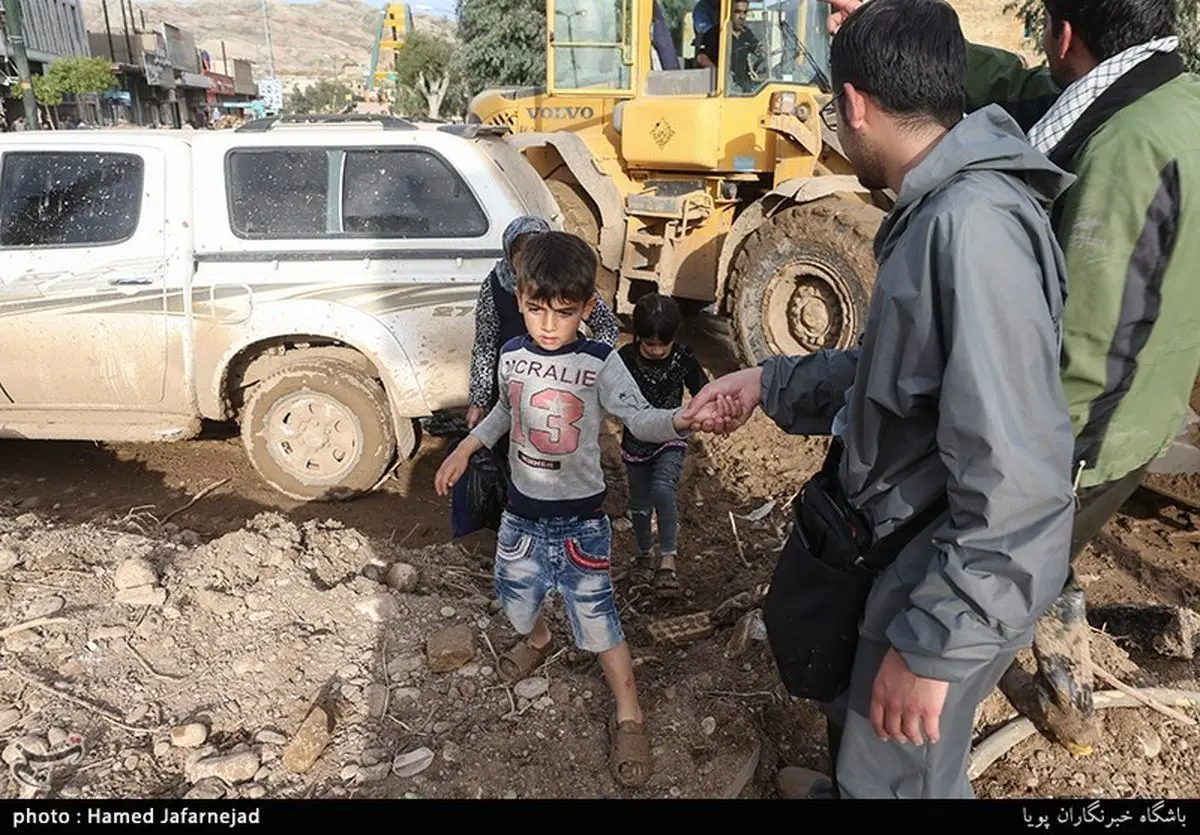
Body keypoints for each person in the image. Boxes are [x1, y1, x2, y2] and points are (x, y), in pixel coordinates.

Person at [683, 0, 1077, 799]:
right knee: (868, 744)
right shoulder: (940, 209)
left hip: (937, 575)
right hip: (904, 550)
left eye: (835, 109)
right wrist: (768, 381)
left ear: (855, 104)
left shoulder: (971, 230)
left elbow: (1020, 481)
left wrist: (932, 644)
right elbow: (895, 371)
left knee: (901, 778)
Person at [826, 0, 1200, 756]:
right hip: (1142, 410)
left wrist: (939, 632)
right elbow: (1025, 87)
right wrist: (890, 32)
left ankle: (1016, 701)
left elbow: (1049, 383)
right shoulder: (1165, 94)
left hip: (1083, 435)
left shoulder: (1111, 152)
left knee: (987, 583)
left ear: (1062, 34)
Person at [435, 231, 722, 788]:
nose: (548, 324)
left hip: (580, 524)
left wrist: (679, 420)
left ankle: (629, 714)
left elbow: (639, 417)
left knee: (598, 621)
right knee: (515, 597)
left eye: (564, 312)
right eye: (536, 309)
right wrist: (466, 447)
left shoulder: (600, 362)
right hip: (521, 514)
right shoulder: (512, 355)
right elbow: (504, 412)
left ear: (588, 308)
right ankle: (540, 639)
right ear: (520, 298)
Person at [465, 215, 620, 430]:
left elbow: (607, 326)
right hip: (513, 383)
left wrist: (588, 363)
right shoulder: (495, 286)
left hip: (561, 383)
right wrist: (479, 400)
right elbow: (485, 344)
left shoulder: (566, 282)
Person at [618, 293, 709, 598]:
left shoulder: (683, 358)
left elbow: (703, 391)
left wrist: (710, 413)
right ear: (637, 336)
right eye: (649, 345)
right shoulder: (624, 360)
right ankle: (644, 555)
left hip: (671, 435)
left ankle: (668, 559)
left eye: (663, 345)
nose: (657, 351)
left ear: (675, 337)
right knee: (639, 504)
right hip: (636, 441)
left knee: (662, 489)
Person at [695, 0, 767, 93]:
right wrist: (719, 74)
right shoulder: (715, 33)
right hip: (724, 90)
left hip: (745, 89)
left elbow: (758, 49)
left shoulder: (746, 33)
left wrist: (764, 52)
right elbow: (701, 57)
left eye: (745, 12)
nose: (742, 16)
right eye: (737, 12)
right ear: (728, 12)